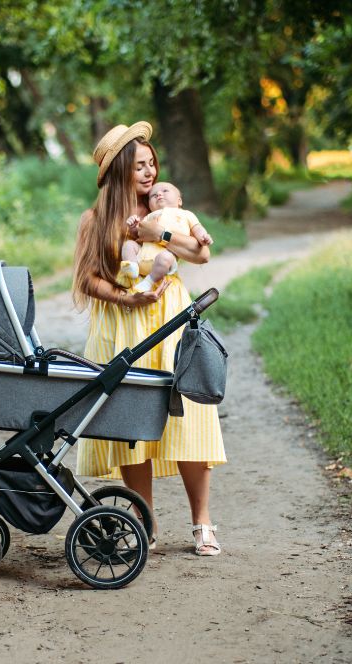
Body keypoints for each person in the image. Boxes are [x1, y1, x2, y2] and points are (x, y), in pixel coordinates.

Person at [73, 122, 226, 556]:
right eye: (139, 166)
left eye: (152, 163)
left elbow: (200, 253)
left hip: (171, 319)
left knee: (189, 414)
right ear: (121, 171)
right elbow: (86, 280)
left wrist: (153, 234)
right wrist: (126, 297)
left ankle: (202, 522)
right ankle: (145, 522)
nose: (150, 172)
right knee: (132, 422)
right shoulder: (95, 220)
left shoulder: (165, 214)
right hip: (122, 322)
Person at [121, 181, 214, 293]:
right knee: (129, 245)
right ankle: (132, 267)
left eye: (165, 191)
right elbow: (139, 234)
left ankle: (148, 282)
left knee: (166, 257)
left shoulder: (186, 214)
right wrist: (133, 227)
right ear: (149, 204)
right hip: (142, 255)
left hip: (164, 260)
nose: (159, 194)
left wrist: (203, 237)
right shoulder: (149, 216)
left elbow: (197, 228)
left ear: (179, 201)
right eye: (153, 195)